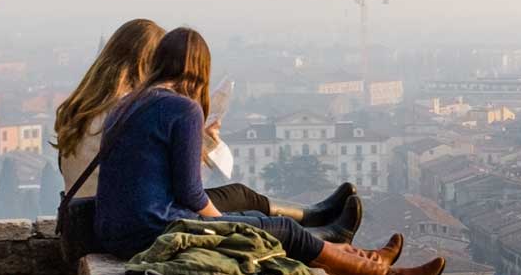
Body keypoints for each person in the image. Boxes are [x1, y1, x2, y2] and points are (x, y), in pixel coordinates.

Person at [94, 28, 443, 275]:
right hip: (149, 231)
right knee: (281, 230)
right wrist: (227, 225)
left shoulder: (127, 104)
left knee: (258, 217)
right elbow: (189, 192)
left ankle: (369, 262)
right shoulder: (182, 108)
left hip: (114, 229)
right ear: (200, 67)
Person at [54, 18, 360, 241]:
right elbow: (182, 186)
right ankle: (321, 231)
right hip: (119, 217)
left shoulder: (80, 107)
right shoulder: (128, 108)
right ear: (148, 61)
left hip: (100, 213)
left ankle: (316, 215)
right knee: (245, 214)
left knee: (241, 195)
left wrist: (199, 141)